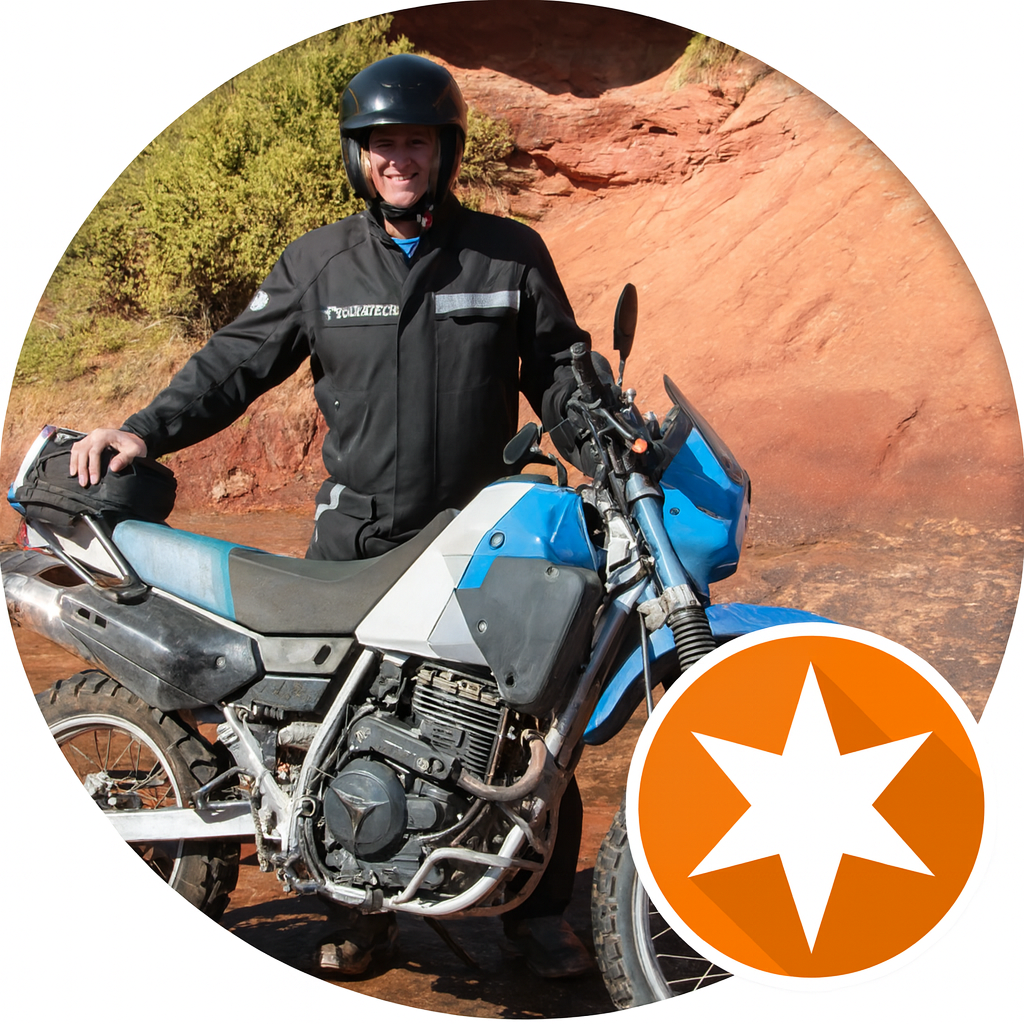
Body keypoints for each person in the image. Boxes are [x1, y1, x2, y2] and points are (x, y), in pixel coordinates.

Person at [68, 53, 592, 978]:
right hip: (356, 542)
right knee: (337, 729)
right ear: (358, 156)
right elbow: (235, 364)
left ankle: (535, 913)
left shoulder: (509, 256)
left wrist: (605, 441)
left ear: (445, 151)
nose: (399, 159)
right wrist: (145, 431)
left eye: (415, 142)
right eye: (381, 144)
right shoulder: (318, 264)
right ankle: (361, 908)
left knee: (530, 725)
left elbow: (559, 372)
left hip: (476, 540)